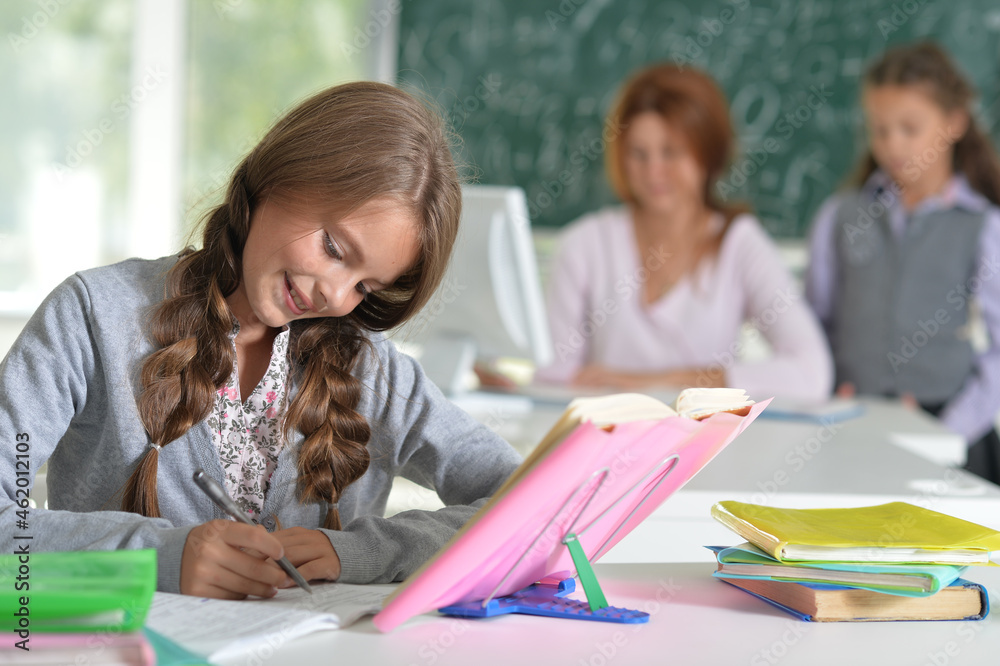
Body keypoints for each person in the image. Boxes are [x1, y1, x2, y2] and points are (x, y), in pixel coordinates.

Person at [0, 82, 522, 599]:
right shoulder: (93, 317)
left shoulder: (374, 371)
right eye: (334, 248)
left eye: (365, 286)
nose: (335, 298)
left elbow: (527, 505)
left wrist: (371, 551)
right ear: (278, 177)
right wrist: (158, 557)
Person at [535, 64, 832, 402]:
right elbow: (553, 375)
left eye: (671, 152)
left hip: (707, 448)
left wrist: (654, 382)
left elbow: (811, 371)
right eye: (638, 153)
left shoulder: (740, 244)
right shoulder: (584, 245)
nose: (653, 172)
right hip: (608, 446)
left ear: (707, 154)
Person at [805, 42, 1000, 484]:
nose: (892, 145)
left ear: (954, 123)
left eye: (909, 128)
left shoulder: (984, 225)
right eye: (879, 130)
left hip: (951, 437)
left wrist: (946, 432)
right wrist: (828, 396)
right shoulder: (840, 216)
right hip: (852, 427)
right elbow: (814, 325)